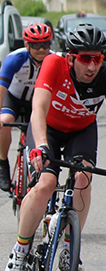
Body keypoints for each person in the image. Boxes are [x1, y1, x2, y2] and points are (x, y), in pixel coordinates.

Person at [5, 25, 106, 271]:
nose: (92, 65)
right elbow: (38, 109)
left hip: (81, 131)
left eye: (97, 57)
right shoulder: (53, 63)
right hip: (48, 130)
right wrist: (40, 145)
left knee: (84, 178)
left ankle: (67, 244)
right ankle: (20, 250)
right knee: (45, 184)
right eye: (85, 58)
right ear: (71, 57)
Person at [0, 22, 54, 192]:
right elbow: (1, 91)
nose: (41, 49)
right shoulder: (15, 59)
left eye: (45, 44)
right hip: (14, 99)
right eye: (36, 45)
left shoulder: (54, 60)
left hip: (37, 104)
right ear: (27, 45)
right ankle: (3, 163)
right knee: (5, 122)